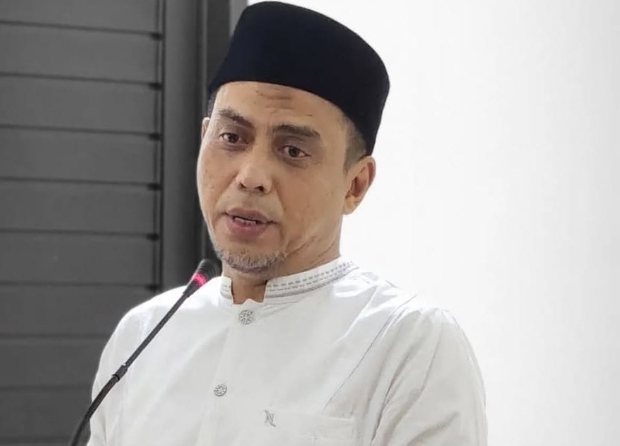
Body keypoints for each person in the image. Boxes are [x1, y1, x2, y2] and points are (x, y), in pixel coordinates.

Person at [87, 2, 487, 445]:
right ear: (204, 140)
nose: (251, 176)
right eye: (232, 137)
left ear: (355, 185)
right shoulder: (141, 336)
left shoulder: (410, 345)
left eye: (293, 150)